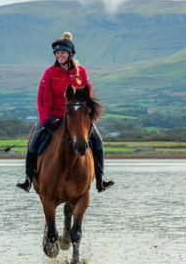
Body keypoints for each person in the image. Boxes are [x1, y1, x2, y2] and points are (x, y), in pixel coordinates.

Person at [17, 32, 114, 193]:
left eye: (62, 52)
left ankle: (100, 178)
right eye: (57, 53)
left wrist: (84, 114)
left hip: (76, 118)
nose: (59, 55)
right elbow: (42, 98)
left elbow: (88, 92)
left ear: (70, 54)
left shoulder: (81, 72)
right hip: (53, 116)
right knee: (33, 142)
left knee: (98, 142)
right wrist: (46, 119)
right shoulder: (49, 73)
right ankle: (28, 178)